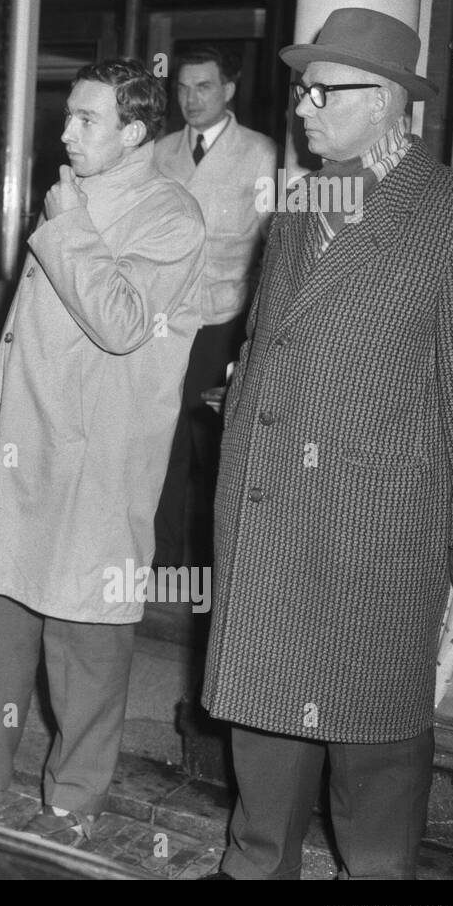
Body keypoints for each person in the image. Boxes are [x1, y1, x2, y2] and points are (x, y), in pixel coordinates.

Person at [201, 7, 453, 880]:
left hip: (378, 530)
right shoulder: (305, 202)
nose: (301, 106)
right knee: (263, 740)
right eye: (302, 89)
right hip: (268, 509)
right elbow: (270, 341)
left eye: (321, 91)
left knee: (374, 757)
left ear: (383, 102)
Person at [0, 59, 205, 847]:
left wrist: (67, 221)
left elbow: (121, 320)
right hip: (22, 440)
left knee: (87, 635)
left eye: (86, 120)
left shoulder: (171, 214)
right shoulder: (72, 197)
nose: (65, 133)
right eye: (68, 116)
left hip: (96, 458)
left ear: (134, 132)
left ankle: (75, 797)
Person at [152, 48, 277, 567]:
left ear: (228, 89)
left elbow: (275, 241)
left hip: (226, 321)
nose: (190, 99)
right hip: (165, 321)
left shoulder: (263, 152)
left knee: (216, 448)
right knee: (162, 443)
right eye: (182, 88)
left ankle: (217, 572)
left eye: (203, 86)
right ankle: (161, 566)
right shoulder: (159, 152)